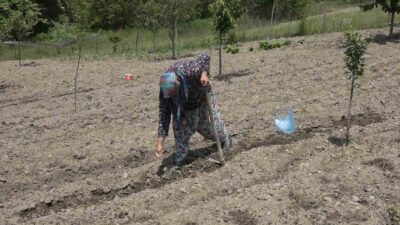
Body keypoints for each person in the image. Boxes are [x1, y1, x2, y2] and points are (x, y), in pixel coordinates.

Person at [156, 54, 231, 166]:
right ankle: (181, 158)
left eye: (175, 95)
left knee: (208, 127)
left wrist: (204, 74)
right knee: (180, 130)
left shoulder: (189, 70)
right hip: (185, 105)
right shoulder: (165, 91)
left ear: (180, 85)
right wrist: (160, 142)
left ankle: (225, 140)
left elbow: (205, 57)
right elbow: (164, 114)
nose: (173, 98)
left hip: (201, 95)